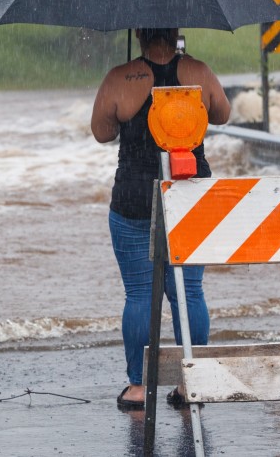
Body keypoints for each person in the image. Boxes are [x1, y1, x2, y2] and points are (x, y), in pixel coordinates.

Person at [90, 27, 231, 411]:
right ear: (177, 31)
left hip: (136, 197)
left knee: (139, 295)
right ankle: (191, 382)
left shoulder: (121, 77)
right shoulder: (199, 72)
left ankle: (138, 387)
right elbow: (222, 114)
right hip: (189, 197)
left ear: (138, 32)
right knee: (189, 293)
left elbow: (101, 131)